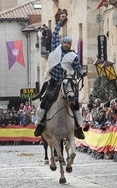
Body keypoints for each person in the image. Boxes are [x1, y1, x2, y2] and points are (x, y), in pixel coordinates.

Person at [34, 9, 86, 139]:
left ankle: (78, 127)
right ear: (62, 43)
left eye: (69, 43)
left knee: (75, 103)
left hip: (67, 81)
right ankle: (39, 124)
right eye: (65, 43)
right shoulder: (55, 48)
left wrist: (82, 73)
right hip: (55, 81)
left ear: (70, 45)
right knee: (45, 101)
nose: (67, 45)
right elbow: (56, 33)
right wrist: (60, 22)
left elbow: (77, 68)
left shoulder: (72, 56)